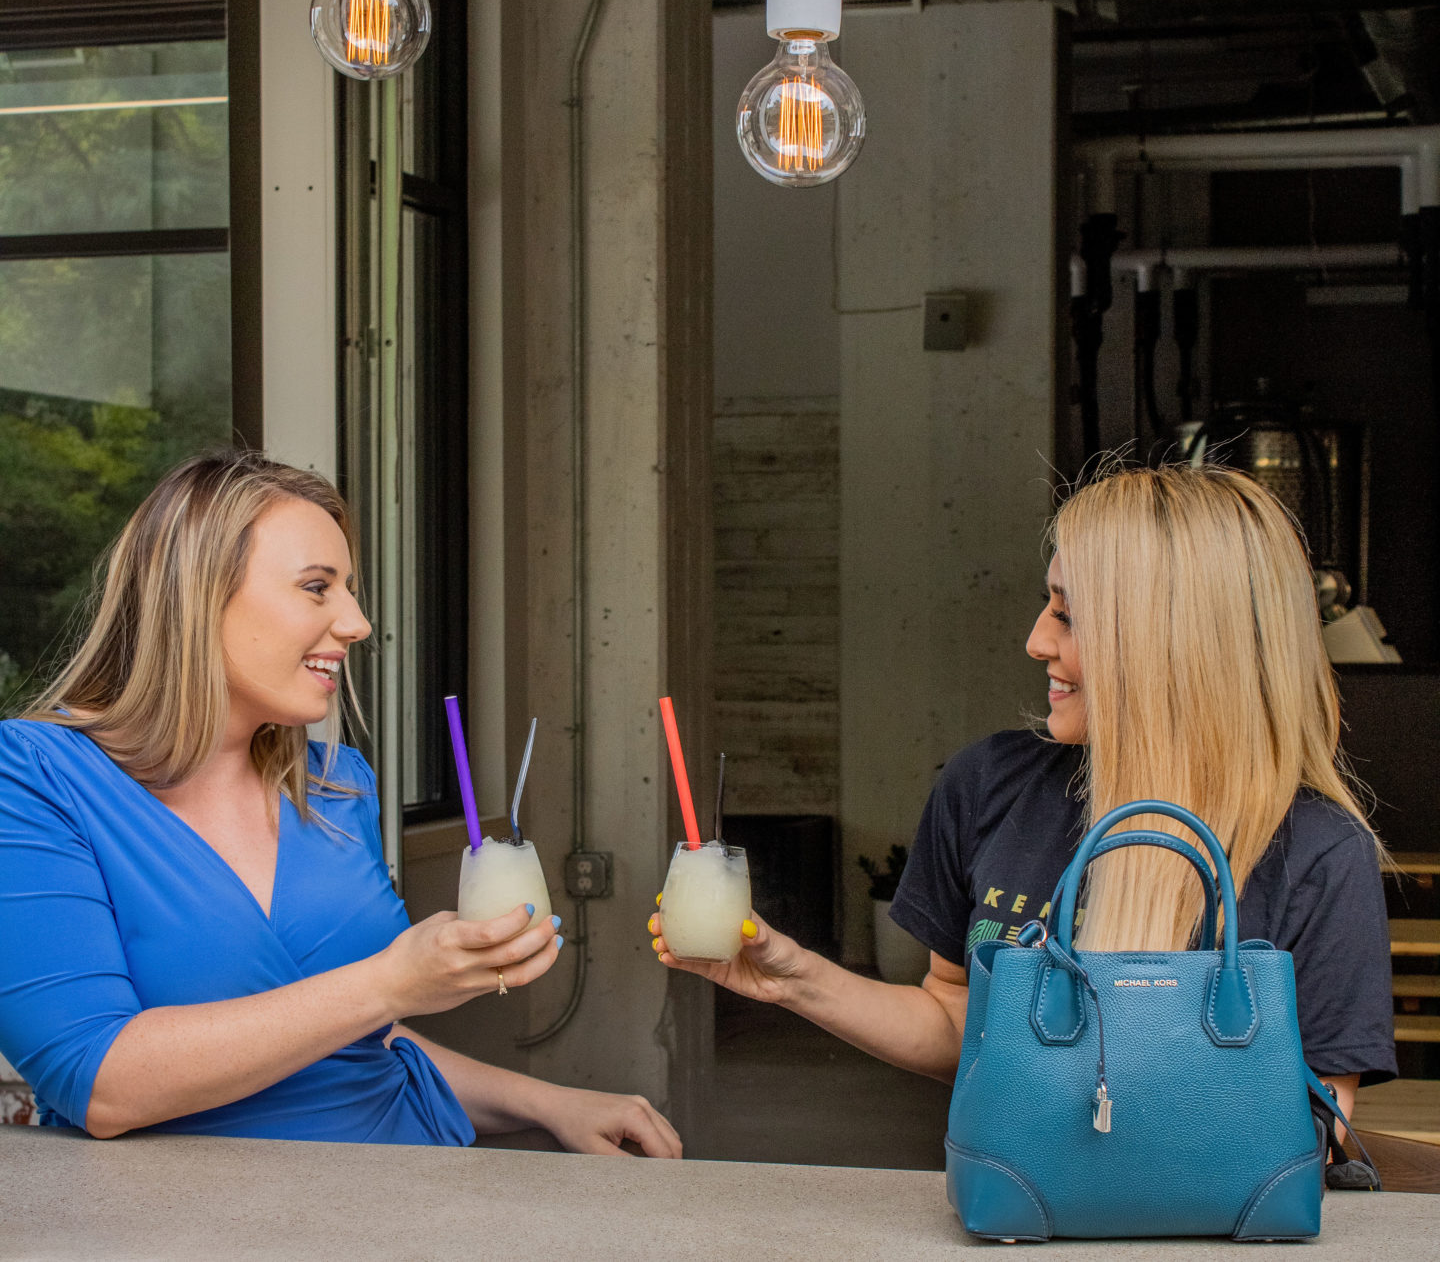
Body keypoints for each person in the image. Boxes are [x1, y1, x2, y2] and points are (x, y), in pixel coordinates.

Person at [652, 463, 1396, 1119]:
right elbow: (954, 1020)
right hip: (1013, 1217)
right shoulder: (988, 784)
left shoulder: (1320, 856)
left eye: (1068, 615)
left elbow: (1316, 1125)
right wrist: (792, 976)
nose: (1037, 640)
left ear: (1171, 645)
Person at [0, 450, 680, 1155]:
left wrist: (548, 1102)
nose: (357, 622)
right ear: (198, 596)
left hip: (400, 1188)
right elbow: (100, 1080)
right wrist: (394, 980)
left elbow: (352, 1039)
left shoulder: (335, 784)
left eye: (349, 589)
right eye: (318, 587)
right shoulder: (33, 777)